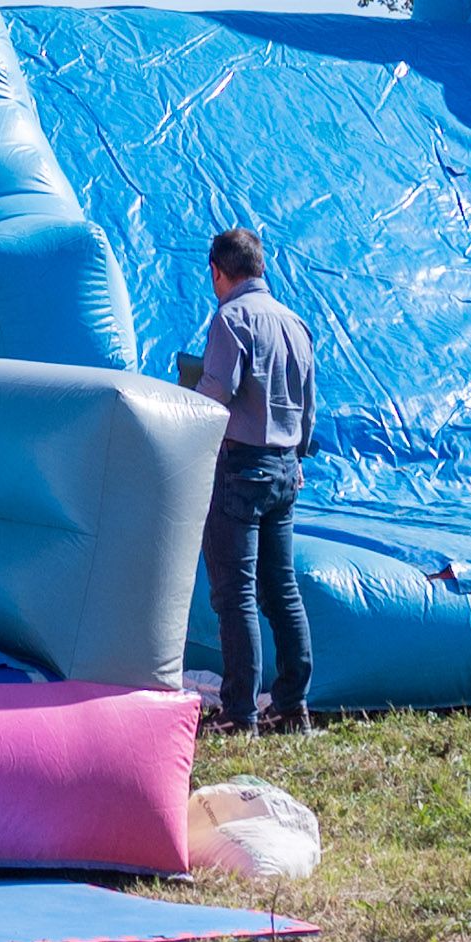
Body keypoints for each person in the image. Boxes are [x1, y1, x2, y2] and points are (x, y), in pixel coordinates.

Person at [179, 227, 318, 735]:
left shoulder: (231, 318)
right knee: (281, 590)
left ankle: (239, 712)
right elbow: (308, 410)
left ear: (217, 271)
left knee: (235, 594)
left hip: (239, 469)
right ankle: (292, 705)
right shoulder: (295, 323)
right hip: (285, 468)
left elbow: (215, 394)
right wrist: (295, 458)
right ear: (260, 267)